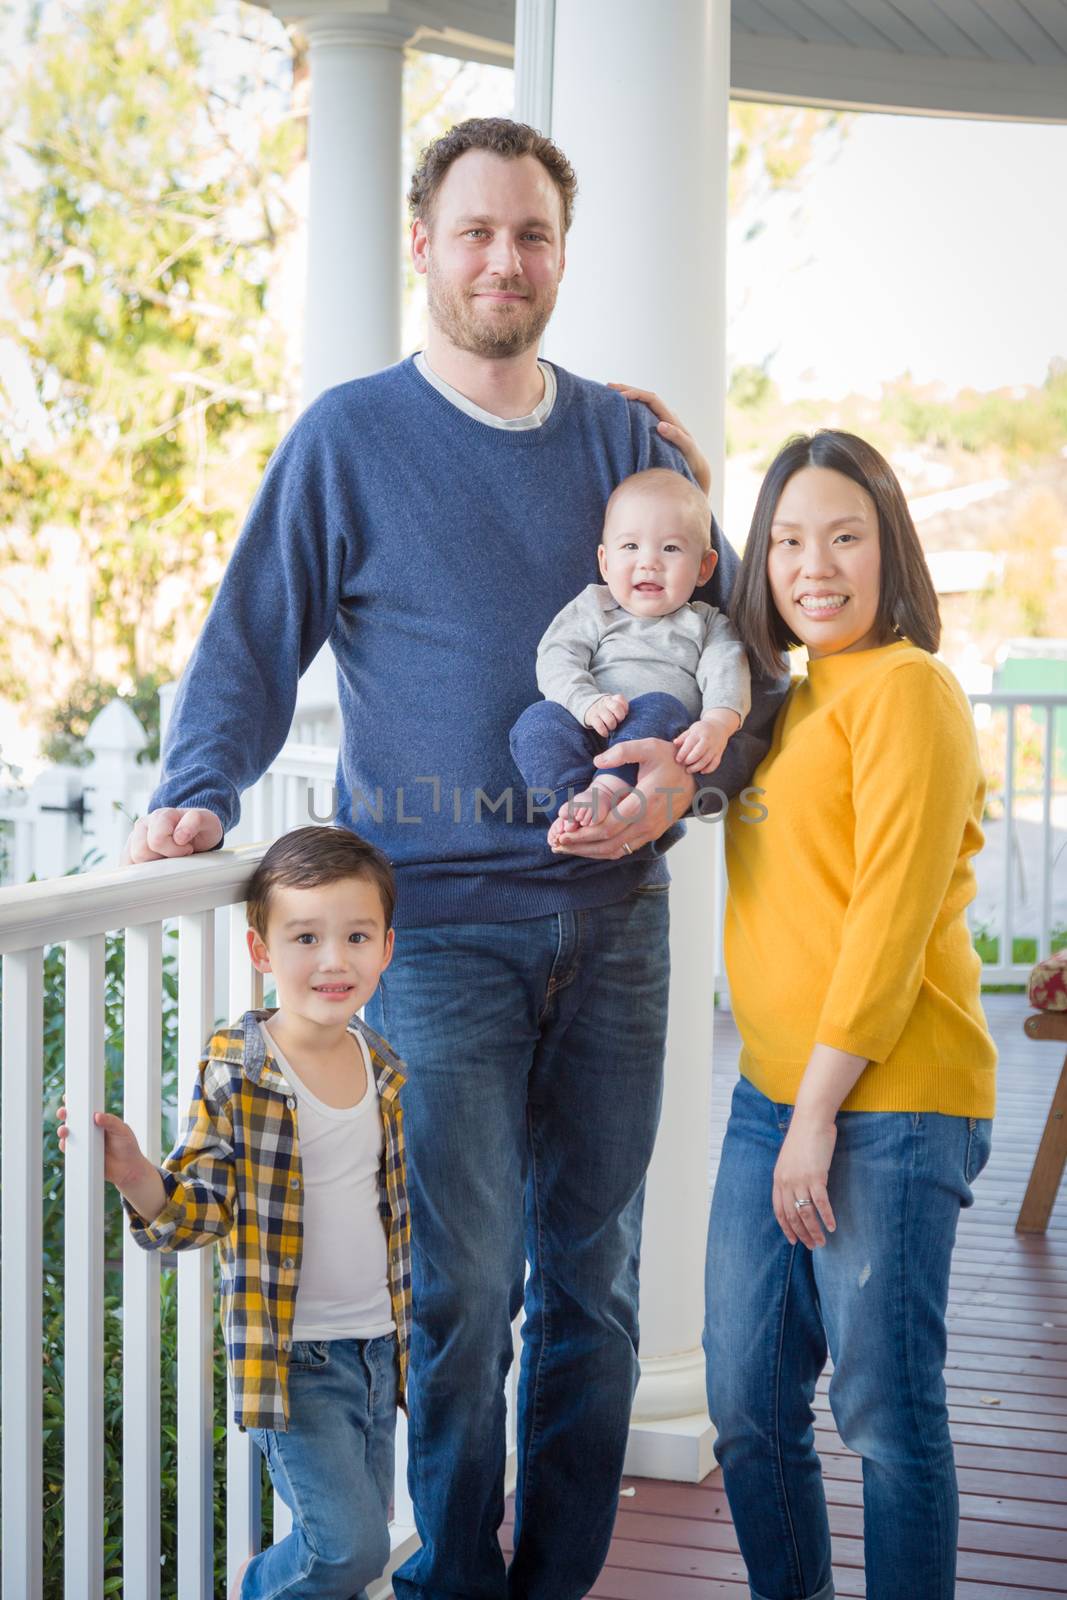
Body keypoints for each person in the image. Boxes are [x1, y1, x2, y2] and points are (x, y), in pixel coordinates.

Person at [121, 116, 786, 1599]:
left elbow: (740, 664)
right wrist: (197, 792)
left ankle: (551, 1580)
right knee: (465, 1291)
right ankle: (451, 1583)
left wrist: (672, 795)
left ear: (561, 254)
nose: (504, 259)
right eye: (475, 231)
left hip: (616, 926)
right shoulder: (348, 439)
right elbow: (250, 637)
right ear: (420, 243)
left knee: (593, 1288)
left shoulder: (628, 441)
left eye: (532, 234)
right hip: (437, 938)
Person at [703, 430, 996, 1600]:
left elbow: (887, 915)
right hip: (769, 1095)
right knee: (743, 1404)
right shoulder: (784, 695)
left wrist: (815, 1116)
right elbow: (686, 555)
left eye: (842, 536)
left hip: (886, 1105)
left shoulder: (907, 688)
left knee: (882, 1414)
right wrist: (664, 441)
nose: (811, 565)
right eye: (784, 540)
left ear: (889, 549)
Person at [60, 826, 409, 1600]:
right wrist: (137, 1176)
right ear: (261, 952)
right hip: (295, 1363)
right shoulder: (241, 1069)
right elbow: (198, 1211)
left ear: (386, 947)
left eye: (356, 936)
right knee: (345, 1551)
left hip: (378, 1348)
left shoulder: (380, 1064)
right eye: (305, 938)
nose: (333, 960)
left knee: (365, 1537)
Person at [509, 467, 750, 839]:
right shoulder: (594, 607)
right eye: (630, 547)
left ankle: (608, 791)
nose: (648, 562)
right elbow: (558, 656)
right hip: (588, 727)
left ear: (704, 567)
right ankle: (573, 809)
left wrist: (718, 723)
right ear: (605, 562)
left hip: (653, 744)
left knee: (661, 704)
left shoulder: (706, 623)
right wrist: (586, 702)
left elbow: (727, 671)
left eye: (670, 548)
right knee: (536, 722)